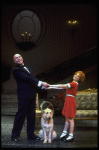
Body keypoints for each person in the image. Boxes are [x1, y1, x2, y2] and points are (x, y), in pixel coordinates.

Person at [11, 54, 49, 142]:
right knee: (21, 116)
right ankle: (15, 135)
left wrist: (42, 87)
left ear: (22, 58)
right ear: (14, 61)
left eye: (19, 57)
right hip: (24, 96)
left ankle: (31, 135)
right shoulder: (16, 70)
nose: (18, 59)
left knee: (32, 116)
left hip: (31, 94)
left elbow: (32, 79)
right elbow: (27, 79)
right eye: (16, 58)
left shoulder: (27, 67)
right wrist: (41, 83)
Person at [47, 71, 85, 142]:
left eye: (78, 76)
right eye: (75, 75)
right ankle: (64, 133)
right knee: (67, 118)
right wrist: (50, 87)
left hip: (70, 101)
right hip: (68, 100)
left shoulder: (74, 83)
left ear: (80, 79)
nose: (75, 76)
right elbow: (61, 88)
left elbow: (62, 85)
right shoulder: (72, 83)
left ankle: (71, 135)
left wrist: (50, 86)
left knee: (70, 119)